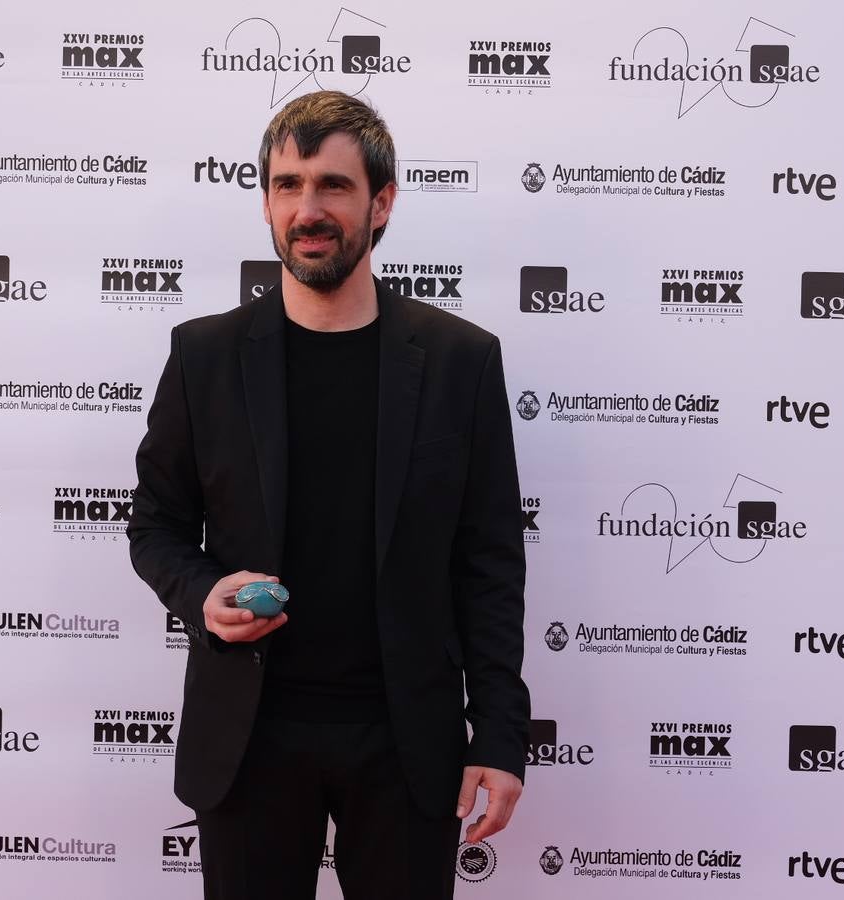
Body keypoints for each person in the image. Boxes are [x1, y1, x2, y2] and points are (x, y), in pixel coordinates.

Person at [127, 90, 528, 900]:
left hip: (406, 740)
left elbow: (488, 563)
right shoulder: (204, 357)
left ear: (381, 203)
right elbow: (155, 526)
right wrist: (203, 593)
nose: (307, 209)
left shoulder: (460, 362)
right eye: (287, 184)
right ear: (268, 201)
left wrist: (499, 735)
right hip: (249, 734)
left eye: (333, 186)